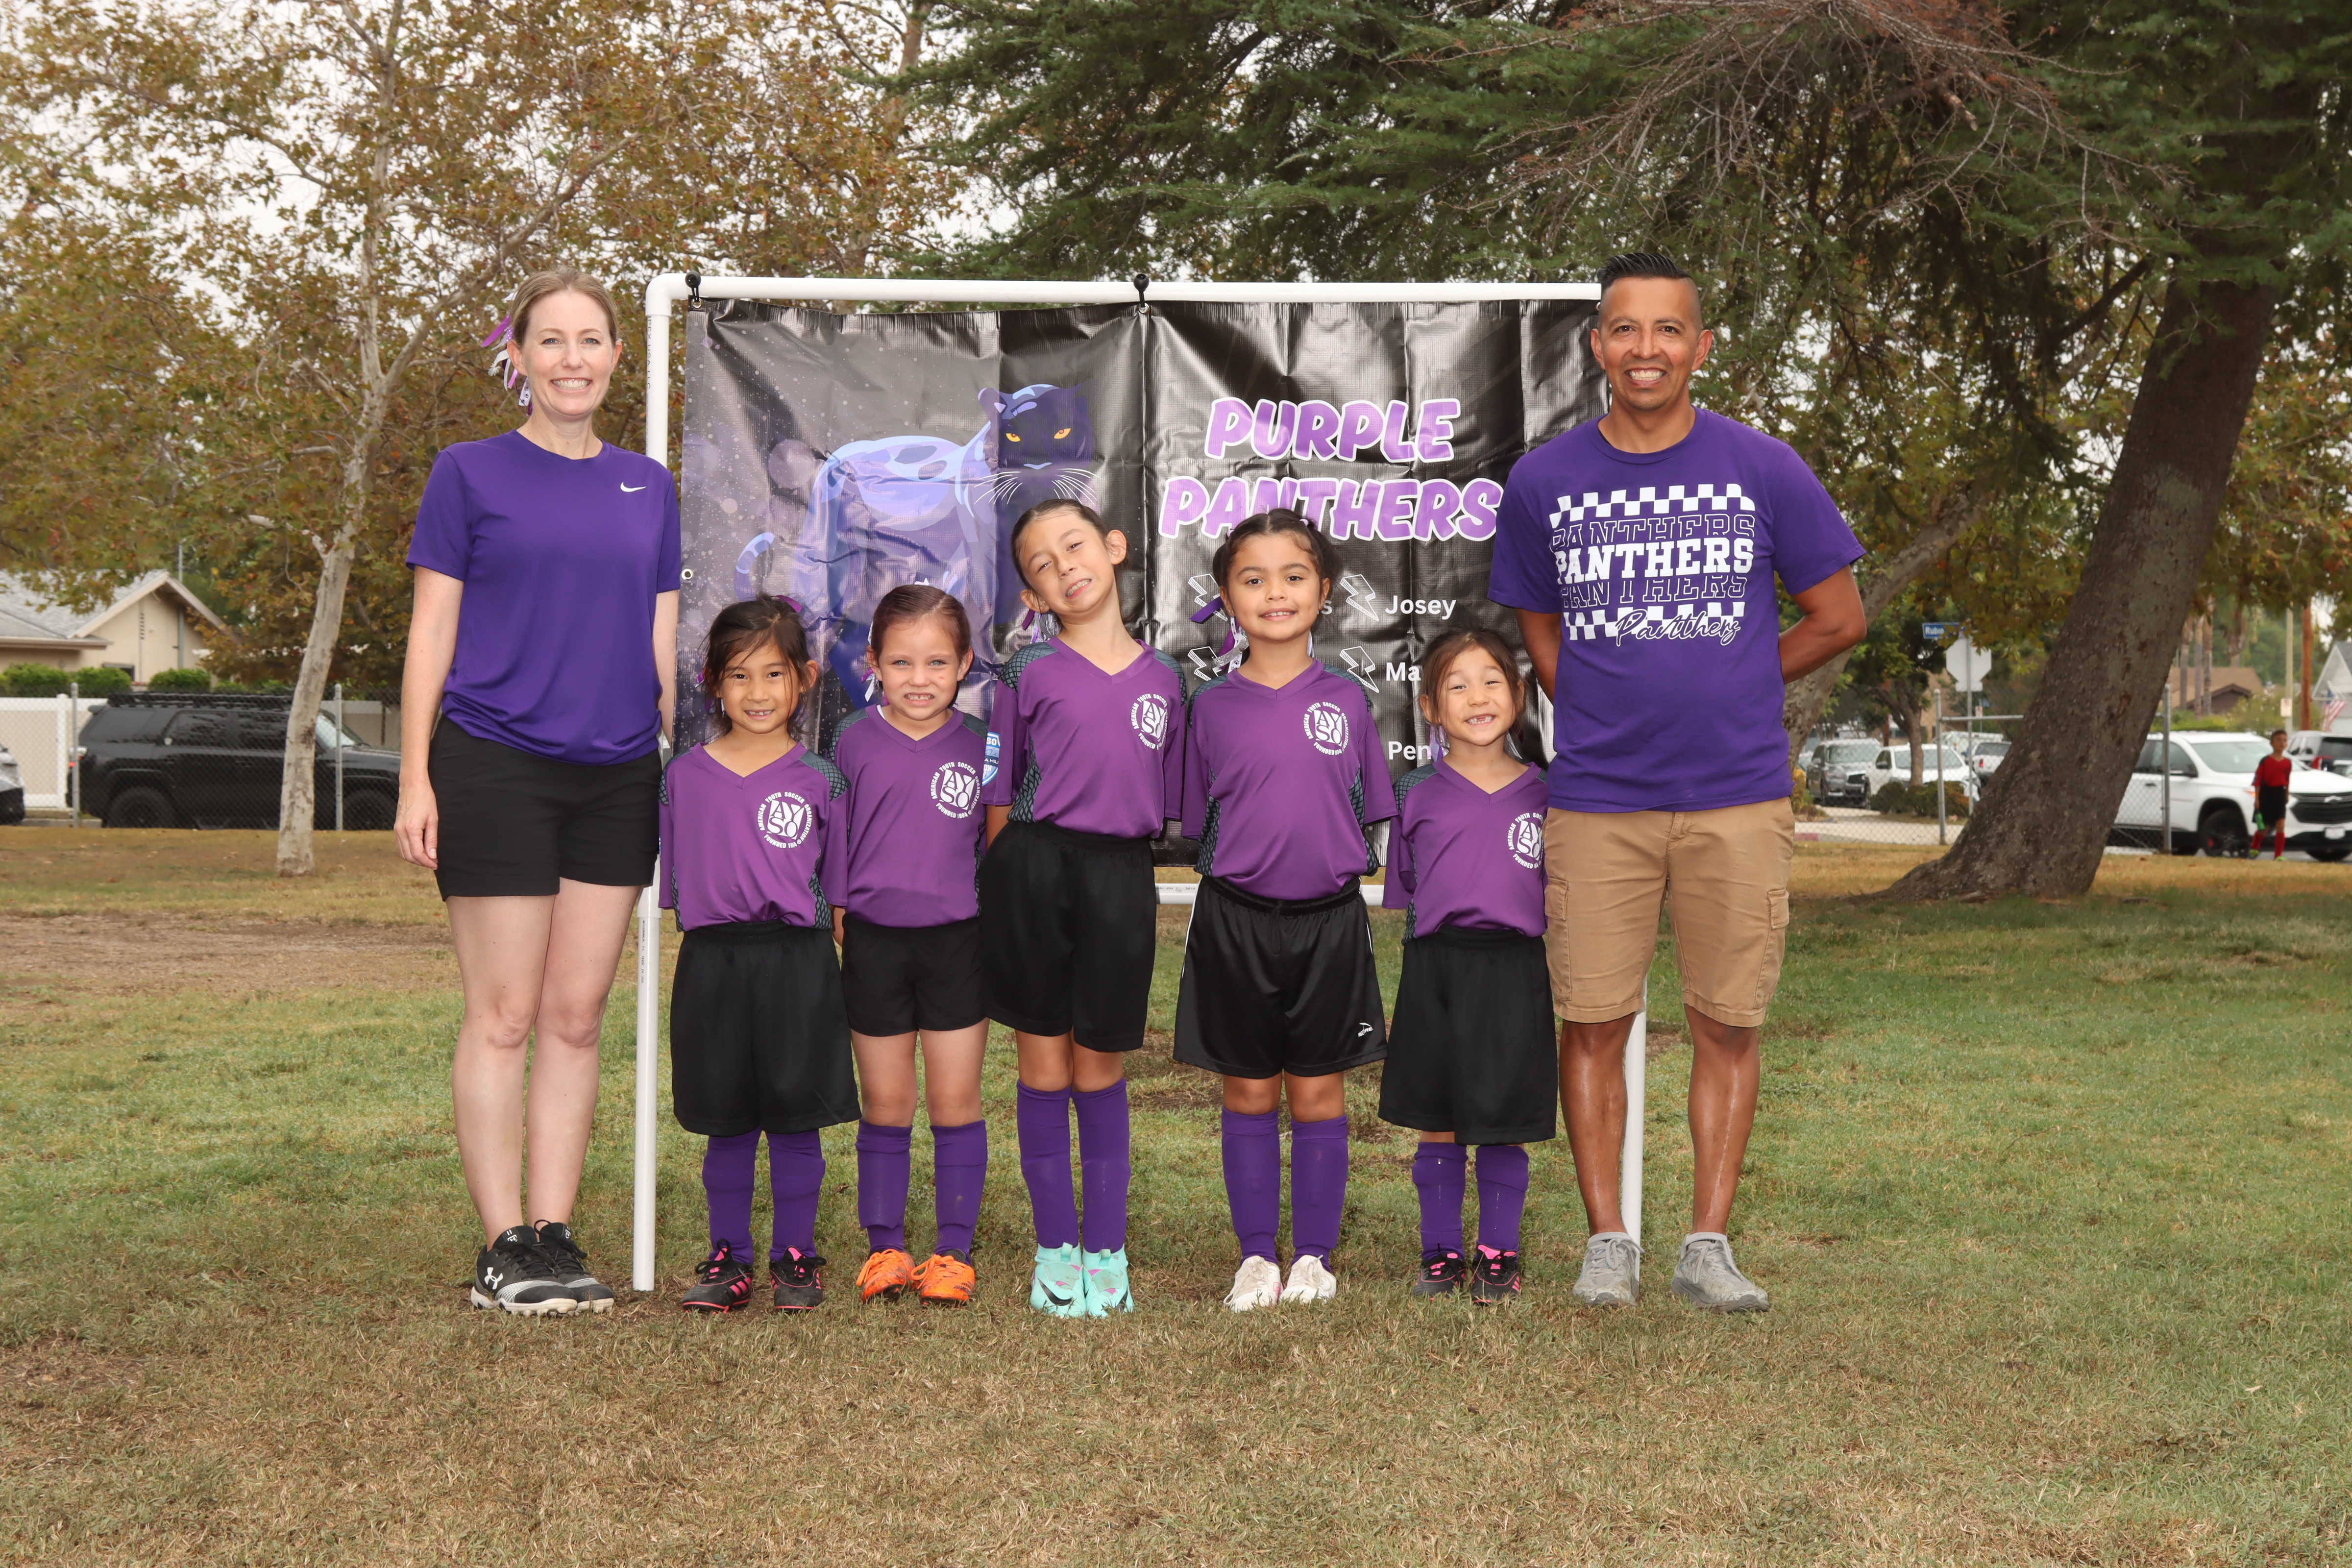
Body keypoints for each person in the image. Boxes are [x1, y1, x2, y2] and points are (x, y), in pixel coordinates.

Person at [1488, 251, 1866, 1313]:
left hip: (1736, 795)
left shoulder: (1763, 467)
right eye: (1624, 328)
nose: (1645, 348)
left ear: (1701, 346)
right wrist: (1599, 707)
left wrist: (1741, 680)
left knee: (1728, 1022)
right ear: (1596, 346)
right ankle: (1608, 1242)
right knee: (1592, 1020)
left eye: (1667, 329)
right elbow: (1540, 629)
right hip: (1597, 798)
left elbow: (1840, 617)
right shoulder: (1544, 481)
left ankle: (1707, 1244)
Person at [397, 267, 678, 1316]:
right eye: (550, 340)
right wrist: (415, 773)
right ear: (516, 356)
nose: (572, 359)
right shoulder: (467, 472)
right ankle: (502, 1244)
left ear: (616, 356)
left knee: (575, 1015)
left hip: (617, 775)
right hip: (495, 763)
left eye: (591, 340)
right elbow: (432, 629)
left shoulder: (649, 486)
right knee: (506, 1013)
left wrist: (684, 762)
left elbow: (658, 640)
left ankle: (555, 1237)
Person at [1176, 509, 1394, 1312]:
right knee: (1247, 1094)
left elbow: (1369, 816)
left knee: (1318, 1096)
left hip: (1328, 922)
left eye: (1294, 576)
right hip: (1234, 921)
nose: (1275, 593)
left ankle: (1313, 1258)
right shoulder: (1209, 707)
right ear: (1227, 598)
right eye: (1253, 578)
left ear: (1324, 591)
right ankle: (1255, 1258)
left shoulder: (1351, 701)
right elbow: (1198, 819)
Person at [980, 499, 1185, 1318]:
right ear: (1034, 596)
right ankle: (1055, 1248)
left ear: (1115, 547)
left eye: (1075, 545)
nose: (1066, 566)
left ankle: (1106, 1250)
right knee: (1043, 1068)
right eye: (1043, 564)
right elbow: (999, 791)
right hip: (1034, 868)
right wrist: (1008, 882)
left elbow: (1170, 796)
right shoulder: (1025, 671)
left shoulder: (1166, 679)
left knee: (1098, 1068)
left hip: (1119, 879)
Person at [659, 597, 858, 1311]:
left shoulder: (823, 779)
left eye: (774, 674)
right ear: (713, 682)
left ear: (804, 679)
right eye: (739, 675)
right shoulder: (683, 777)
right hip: (713, 962)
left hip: (799, 961)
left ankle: (794, 1258)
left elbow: (840, 892)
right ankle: (729, 1256)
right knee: (728, 1118)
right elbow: (677, 885)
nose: (757, 692)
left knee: (796, 1116)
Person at [824, 586, 992, 1306]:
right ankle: (885, 1247)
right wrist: (838, 909)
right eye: (901, 662)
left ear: (965, 663)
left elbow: (995, 843)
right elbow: (835, 835)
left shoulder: (983, 745)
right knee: (887, 1100)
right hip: (874, 942)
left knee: (955, 1099)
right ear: (873, 664)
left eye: (936, 662)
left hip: (958, 943)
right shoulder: (851, 739)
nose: (918, 679)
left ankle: (953, 1251)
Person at [1379, 629, 1555, 1304]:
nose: (1477, 697)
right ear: (1430, 706)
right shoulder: (1414, 790)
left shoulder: (1547, 791)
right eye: (1457, 685)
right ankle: (1440, 1251)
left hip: (1515, 968)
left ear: (1519, 695)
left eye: (1491, 681)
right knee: (1440, 1115)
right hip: (1437, 968)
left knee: (1505, 1116)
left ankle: (1498, 1253)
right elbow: (1408, 887)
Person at [2254, 730, 2294, 859]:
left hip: (2280, 793)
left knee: (2281, 824)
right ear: (2272, 743)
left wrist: (2287, 794)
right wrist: (2257, 798)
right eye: (2278, 740)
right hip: (2267, 794)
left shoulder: (2288, 762)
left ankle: (2278, 855)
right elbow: (2258, 781)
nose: (2282, 743)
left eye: (2285, 740)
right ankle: (2255, 846)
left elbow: (2287, 780)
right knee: (2264, 828)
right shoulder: (2265, 761)